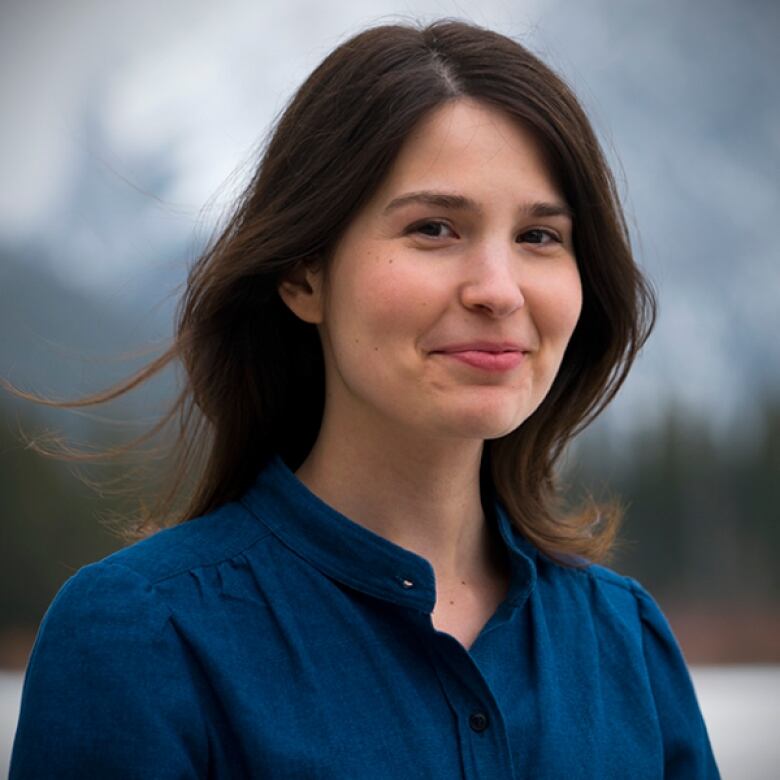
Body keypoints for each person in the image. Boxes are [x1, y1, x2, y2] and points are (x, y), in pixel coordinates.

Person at [9, 18, 720, 779]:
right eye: (435, 228)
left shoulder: (625, 639)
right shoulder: (141, 638)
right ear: (303, 275)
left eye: (539, 237)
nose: (498, 290)